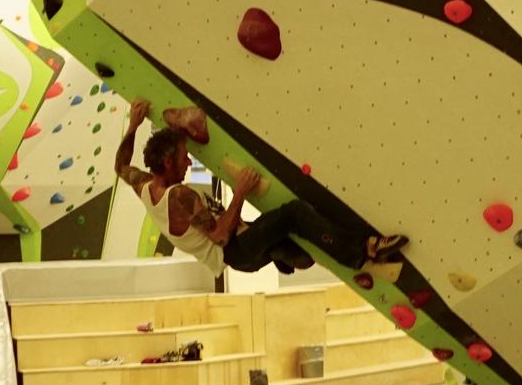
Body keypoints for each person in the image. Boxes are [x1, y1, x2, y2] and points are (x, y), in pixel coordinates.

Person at [113, 98, 405, 279]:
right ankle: (361, 251)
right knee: (294, 214)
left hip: (242, 250)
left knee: (299, 249)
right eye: (182, 156)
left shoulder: (145, 185)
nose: (188, 161)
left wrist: (133, 126)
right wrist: (239, 192)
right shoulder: (180, 196)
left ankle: (282, 253)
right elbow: (218, 236)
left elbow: (120, 166)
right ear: (167, 160)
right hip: (236, 250)